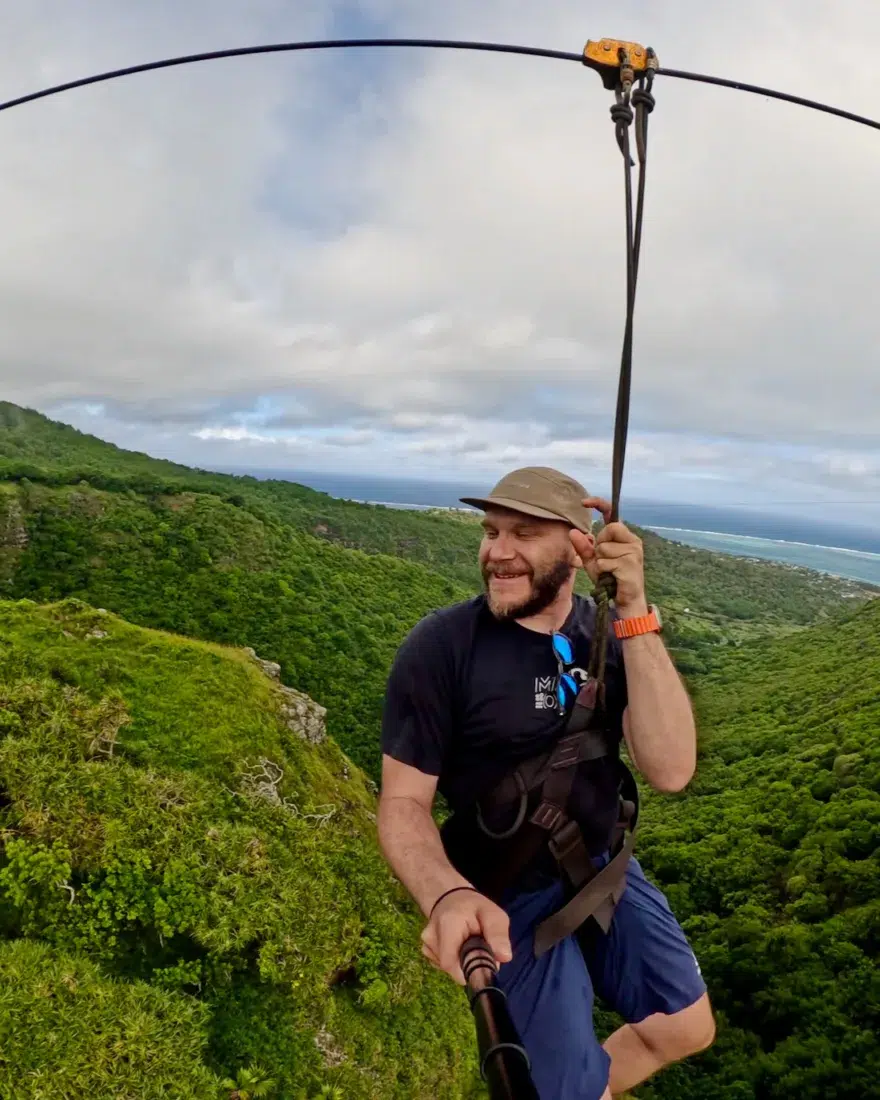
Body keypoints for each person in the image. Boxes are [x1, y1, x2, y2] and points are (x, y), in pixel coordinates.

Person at [377, 466, 716, 1100]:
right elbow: (402, 803)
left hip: (601, 869)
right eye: (491, 531)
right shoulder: (442, 648)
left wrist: (632, 610)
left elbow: (671, 770)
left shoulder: (610, 637)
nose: (497, 552)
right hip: (505, 892)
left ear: (578, 546)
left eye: (524, 534)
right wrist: (446, 895)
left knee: (687, 1029)